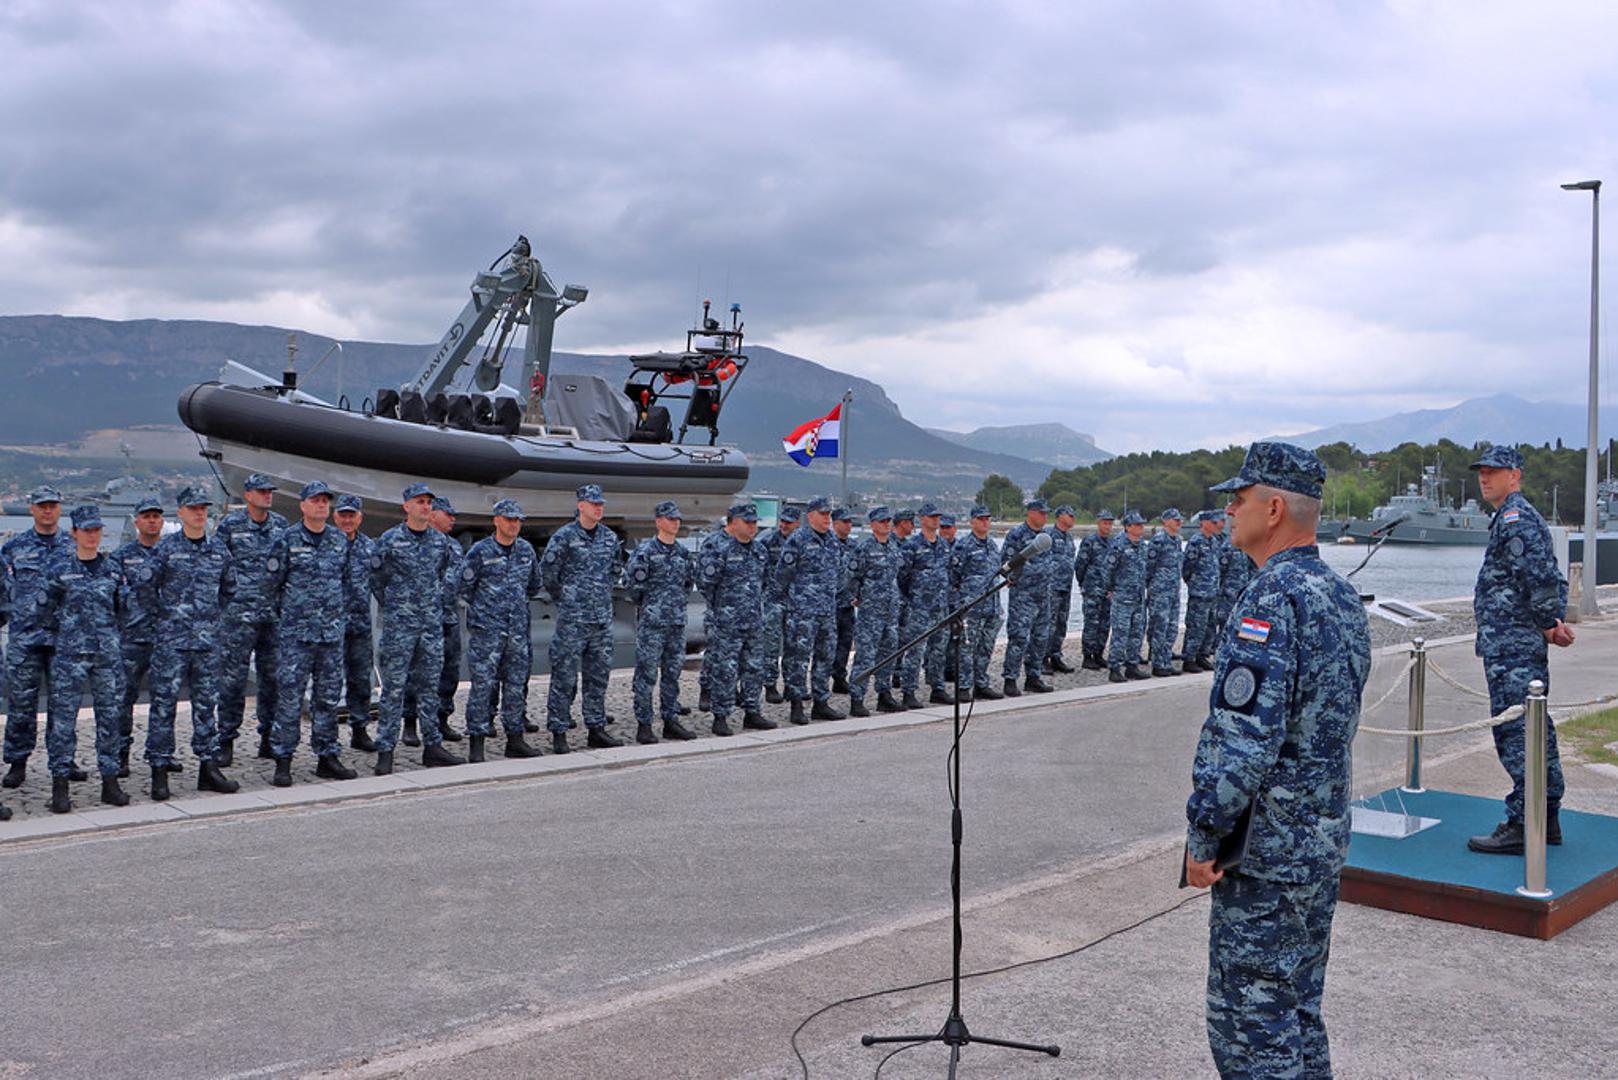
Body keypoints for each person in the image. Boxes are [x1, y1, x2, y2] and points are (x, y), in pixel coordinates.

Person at [1184, 440, 1370, 1080]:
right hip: (1317, 841)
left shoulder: (1272, 598)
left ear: (1271, 508)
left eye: (1236, 501)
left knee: (1249, 1026)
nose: (1228, 512)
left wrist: (1204, 833)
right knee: (1297, 1011)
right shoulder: (1339, 595)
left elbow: (1243, 739)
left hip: (1265, 853)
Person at [1466, 444, 1575, 854]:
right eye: (1482, 471)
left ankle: (1522, 823)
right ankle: (1544, 816)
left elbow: (1543, 577)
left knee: (1517, 732)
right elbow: (1548, 575)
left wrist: (1549, 623)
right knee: (1533, 729)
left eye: (1494, 471)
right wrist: (1550, 620)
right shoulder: (1510, 517)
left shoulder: (1515, 517)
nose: (1484, 477)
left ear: (1515, 475)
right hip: (1511, 642)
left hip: (1513, 647)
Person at [144, 486, 241, 800]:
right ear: (181, 513)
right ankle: (159, 771)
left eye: (203, 508)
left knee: (205, 707)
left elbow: (229, 590)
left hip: (206, 643)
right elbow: (145, 588)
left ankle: (208, 767)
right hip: (171, 643)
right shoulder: (166, 549)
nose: (200, 513)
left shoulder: (219, 550)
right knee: (163, 707)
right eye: (193, 508)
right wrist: (166, 618)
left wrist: (210, 620)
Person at [264, 481, 355, 786]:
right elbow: (272, 586)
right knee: (289, 698)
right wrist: (291, 618)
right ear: (302, 505)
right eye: (315, 500)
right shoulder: (286, 540)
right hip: (296, 636)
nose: (321, 506)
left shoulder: (338, 541)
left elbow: (345, 582)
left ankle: (327, 755)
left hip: (330, 634)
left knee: (328, 698)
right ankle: (284, 758)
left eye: (325, 501)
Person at [39, 506, 128, 811]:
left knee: (109, 718)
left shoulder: (113, 570)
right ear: (74, 532)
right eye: (86, 530)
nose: (92, 535)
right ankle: (60, 786)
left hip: (106, 656)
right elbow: (45, 611)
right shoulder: (59, 569)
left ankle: (110, 781)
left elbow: (121, 609)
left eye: (96, 530)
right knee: (63, 722)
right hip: (69, 656)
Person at [372, 482, 465, 774]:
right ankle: (385, 750)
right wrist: (398, 605)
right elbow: (376, 579)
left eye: (428, 502)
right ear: (406, 506)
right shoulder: (390, 540)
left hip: (430, 627)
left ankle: (433, 746)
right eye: (420, 501)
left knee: (429, 688)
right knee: (393, 690)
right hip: (400, 627)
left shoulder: (440, 543)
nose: (425, 506)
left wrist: (434, 602)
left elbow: (447, 575)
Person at [457, 498, 545, 761]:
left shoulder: (526, 551)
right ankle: (477, 742)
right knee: (483, 687)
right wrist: (486, 612)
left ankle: (515, 739)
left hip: (517, 630)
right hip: (488, 632)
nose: (514, 524)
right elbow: (464, 588)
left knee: (516, 685)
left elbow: (533, 585)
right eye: (509, 519)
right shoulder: (480, 552)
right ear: (496, 521)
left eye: (518, 520)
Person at [541, 483, 624, 752]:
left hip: (600, 620)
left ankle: (596, 728)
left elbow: (614, 570)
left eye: (601, 503)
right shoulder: (564, 537)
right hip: (572, 621)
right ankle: (559, 731)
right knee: (564, 678)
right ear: (581, 506)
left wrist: (598, 595)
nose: (598, 507)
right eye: (593, 503)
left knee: (598, 677)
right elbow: (549, 574)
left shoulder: (609, 538)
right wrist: (568, 597)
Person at [2, 486, 73, 790]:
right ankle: (18, 763)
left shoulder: (73, 547)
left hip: (65, 638)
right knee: (21, 704)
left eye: (53, 505)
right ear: (31, 509)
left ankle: (64, 760)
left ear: (59, 509)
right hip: (26, 638)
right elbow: (3, 590)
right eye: (42, 506)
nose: (47, 511)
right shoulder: (13, 549)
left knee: (64, 705)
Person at [214, 473, 288, 765]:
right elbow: (218, 565)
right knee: (232, 681)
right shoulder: (230, 526)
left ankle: (268, 737)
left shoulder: (281, 526)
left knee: (272, 680)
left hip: (272, 617)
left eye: (269, 491)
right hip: (238, 618)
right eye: (261, 491)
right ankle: (226, 740)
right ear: (247, 495)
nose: (267, 495)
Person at [622, 500, 697, 744]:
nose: (676, 523)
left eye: (678, 519)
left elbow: (687, 584)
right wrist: (653, 607)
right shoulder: (645, 552)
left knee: (672, 673)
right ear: (658, 522)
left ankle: (671, 720)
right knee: (646, 675)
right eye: (671, 519)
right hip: (652, 624)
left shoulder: (683, 554)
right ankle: (644, 724)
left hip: (675, 623)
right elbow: (633, 588)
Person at [697, 502, 772, 735]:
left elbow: (765, 582)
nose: (753, 527)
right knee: (725, 670)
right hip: (726, 622)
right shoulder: (720, 550)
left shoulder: (759, 551)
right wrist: (723, 609)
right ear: (733, 522)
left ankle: (752, 712)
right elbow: (706, 584)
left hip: (753, 620)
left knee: (753, 669)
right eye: (747, 522)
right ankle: (721, 715)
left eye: (755, 522)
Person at [109, 495, 165, 778]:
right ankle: (120, 755)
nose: (152, 520)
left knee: (163, 700)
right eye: (146, 516)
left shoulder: (171, 552)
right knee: (123, 699)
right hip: (131, 638)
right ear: (137, 521)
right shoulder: (121, 557)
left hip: (165, 640)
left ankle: (160, 754)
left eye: (156, 515)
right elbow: (113, 597)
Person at [778, 496, 846, 724]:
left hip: (827, 610)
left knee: (825, 657)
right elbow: (783, 575)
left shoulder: (833, 541)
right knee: (799, 658)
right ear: (810, 516)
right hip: (802, 611)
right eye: (823, 514)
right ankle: (796, 704)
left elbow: (840, 573)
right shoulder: (798, 539)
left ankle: (821, 702)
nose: (827, 519)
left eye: (829, 514)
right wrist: (798, 599)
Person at [845, 506, 904, 717]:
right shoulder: (864, 549)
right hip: (870, 612)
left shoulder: (894, 547)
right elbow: (851, 576)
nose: (886, 524)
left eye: (888, 521)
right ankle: (857, 698)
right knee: (865, 657)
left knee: (888, 654)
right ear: (872, 525)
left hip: (890, 611)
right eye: (882, 521)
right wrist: (857, 597)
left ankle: (884, 694)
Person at [333, 494, 378, 752]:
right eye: (343, 515)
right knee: (329, 683)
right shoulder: (326, 544)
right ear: (335, 516)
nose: (347, 520)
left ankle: (359, 730)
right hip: (331, 625)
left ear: (360, 517)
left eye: (352, 515)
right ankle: (327, 737)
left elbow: (381, 579)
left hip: (359, 624)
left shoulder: (369, 548)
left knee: (361, 679)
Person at [898, 502, 953, 708]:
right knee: (915, 650)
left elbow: (947, 573)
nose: (936, 520)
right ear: (921, 519)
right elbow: (902, 577)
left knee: (938, 650)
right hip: (919, 607)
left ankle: (937, 688)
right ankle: (908, 691)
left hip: (941, 606)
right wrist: (914, 597)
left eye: (937, 516)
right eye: (931, 517)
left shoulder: (943, 545)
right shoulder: (912, 546)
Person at [1000, 498, 1056, 697]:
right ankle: (1010, 678)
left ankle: (1033, 677)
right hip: (1023, 596)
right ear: (1031, 513)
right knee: (1019, 638)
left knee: (1041, 638)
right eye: (1041, 513)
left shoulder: (1046, 536)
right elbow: (1005, 563)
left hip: (1043, 595)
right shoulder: (1016, 534)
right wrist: (1014, 578)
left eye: (1046, 513)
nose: (1045, 516)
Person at [950, 505, 1003, 700]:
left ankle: (981, 683)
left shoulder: (993, 545)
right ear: (972, 521)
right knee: (966, 648)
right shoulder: (964, 546)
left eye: (987, 519)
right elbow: (953, 577)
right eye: (981, 519)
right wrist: (960, 604)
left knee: (986, 647)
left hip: (992, 606)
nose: (985, 522)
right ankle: (964, 686)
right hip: (971, 607)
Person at [757, 504, 800, 704]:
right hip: (773, 600)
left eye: (789, 522)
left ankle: (792, 685)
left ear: (798, 523)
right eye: (782, 521)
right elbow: (758, 569)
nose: (784, 525)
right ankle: (770, 685)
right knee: (771, 644)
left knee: (794, 645)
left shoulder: (802, 542)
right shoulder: (767, 541)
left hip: (796, 601)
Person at [1105, 511, 1150, 682]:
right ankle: (1115, 668)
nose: (1141, 527)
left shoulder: (1142, 546)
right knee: (1120, 632)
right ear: (1128, 527)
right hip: (1122, 596)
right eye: (1137, 525)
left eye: (1142, 524)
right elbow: (1107, 570)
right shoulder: (1118, 545)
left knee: (1136, 632)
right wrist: (1110, 589)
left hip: (1138, 597)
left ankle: (1132, 665)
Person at [1181, 510, 1225, 672]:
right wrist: (1193, 584)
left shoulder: (1214, 541)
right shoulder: (1196, 542)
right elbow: (1187, 567)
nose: (1217, 525)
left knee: (1209, 625)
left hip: (1213, 591)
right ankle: (1189, 657)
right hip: (1200, 592)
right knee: (1196, 625)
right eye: (1213, 523)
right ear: (1204, 523)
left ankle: (1202, 655)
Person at [695, 513, 731, 713]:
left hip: (742, 610)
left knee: (736, 656)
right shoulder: (712, 543)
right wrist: (716, 601)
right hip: (717, 609)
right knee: (714, 653)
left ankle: (731, 690)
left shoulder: (746, 544)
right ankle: (706, 690)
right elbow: (704, 579)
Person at [1073, 509, 1116, 670]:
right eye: (1105, 523)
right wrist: (1084, 584)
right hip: (1092, 588)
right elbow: (1080, 565)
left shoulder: (1113, 543)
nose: (1108, 526)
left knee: (1105, 624)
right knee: (1091, 622)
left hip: (1107, 590)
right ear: (1099, 523)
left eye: (1110, 523)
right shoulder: (1089, 541)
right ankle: (1088, 656)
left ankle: (1099, 654)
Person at [1144, 508, 1185, 676]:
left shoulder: (1177, 540)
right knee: (1159, 626)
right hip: (1160, 591)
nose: (1179, 522)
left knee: (1172, 627)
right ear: (1166, 521)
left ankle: (1165, 659)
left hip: (1174, 590)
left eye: (1180, 519)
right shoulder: (1158, 540)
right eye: (1176, 520)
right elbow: (1149, 566)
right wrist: (1152, 587)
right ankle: (1158, 663)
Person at [1043, 504, 1079, 674]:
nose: (1073, 518)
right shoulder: (1048, 535)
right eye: (1069, 515)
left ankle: (1055, 655)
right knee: (1047, 623)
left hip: (1065, 586)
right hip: (1052, 586)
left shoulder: (1069, 537)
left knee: (1061, 624)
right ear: (1059, 516)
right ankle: (1042, 658)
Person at [830, 507, 857, 695]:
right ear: (835, 523)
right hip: (829, 604)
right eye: (844, 522)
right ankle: (821, 681)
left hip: (848, 603)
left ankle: (839, 677)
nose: (848, 525)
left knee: (845, 643)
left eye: (850, 522)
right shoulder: (828, 544)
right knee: (826, 646)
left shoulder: (854, 546)